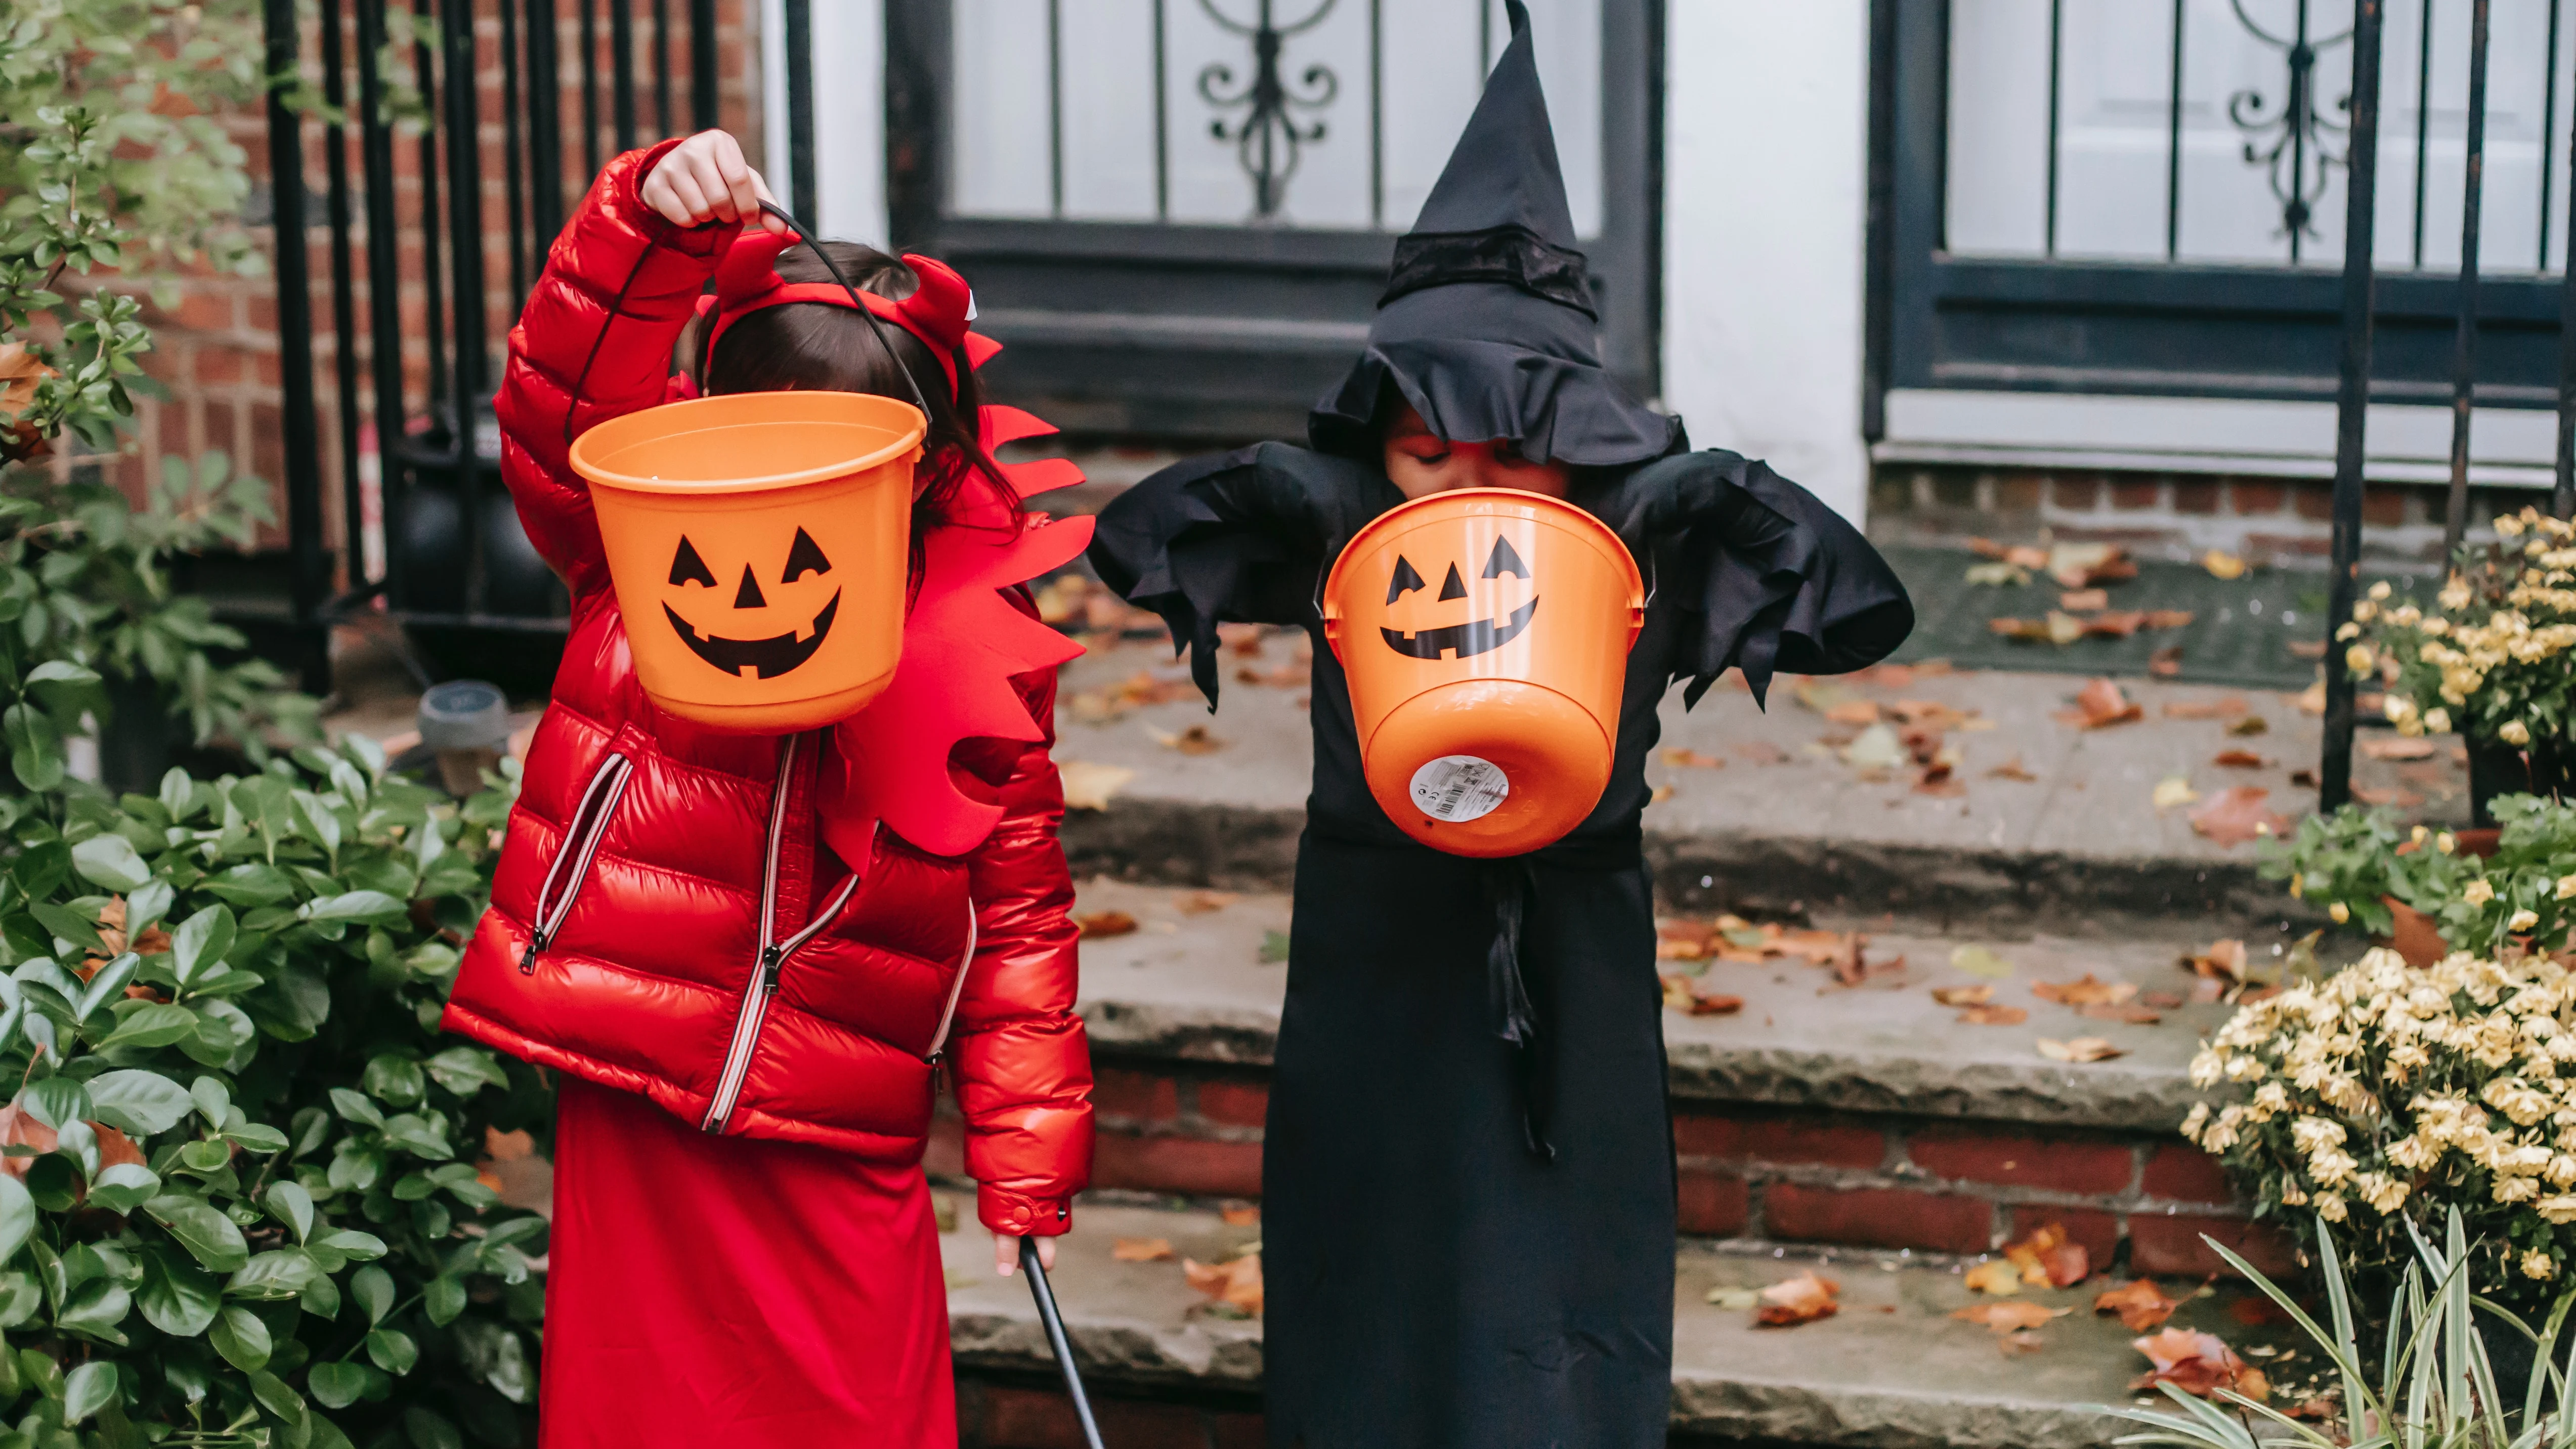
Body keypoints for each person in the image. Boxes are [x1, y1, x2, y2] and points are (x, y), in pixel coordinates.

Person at [1087, 7, 1914, 1444]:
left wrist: (1688, 497)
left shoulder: (1622, 540)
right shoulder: (1348, 525)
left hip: (1570, 977)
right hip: (1373, 968)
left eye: (1512, 446)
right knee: (1373, 1321)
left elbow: (1860, 605)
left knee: (1556, 1340)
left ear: (1577, 440)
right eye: (1423, 445)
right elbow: (1130, 537)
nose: (1466, 477)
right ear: (1375, 443)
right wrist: (1306, 486)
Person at [442, 130, 1097, 1447]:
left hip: (838, 1124)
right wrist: (649, 227)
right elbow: (559, 406)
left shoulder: (982, 661)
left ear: (917, 473)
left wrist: (1026, 1156)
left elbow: (1020, 914)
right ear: (697, 437)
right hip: (640, 1084)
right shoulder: (624, 554)